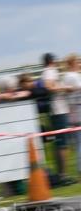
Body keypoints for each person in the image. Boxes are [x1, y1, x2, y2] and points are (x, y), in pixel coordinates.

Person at [40, 53, 73, 183]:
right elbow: (49, 86)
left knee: (61, 143)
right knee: (62, 144)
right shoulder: (50, 71)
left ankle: (62, 175)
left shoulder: (48, 71)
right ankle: (63, 176)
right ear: (52, 61)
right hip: (58, 110)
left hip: (57, 110)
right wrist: (65, 88)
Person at [62, 54, 81, 176]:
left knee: (77, 142)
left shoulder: (65, 77)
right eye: (78, 62)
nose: (79, 64)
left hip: (71, 111)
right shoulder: (75, 76)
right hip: (79, 110)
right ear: (72, 63)